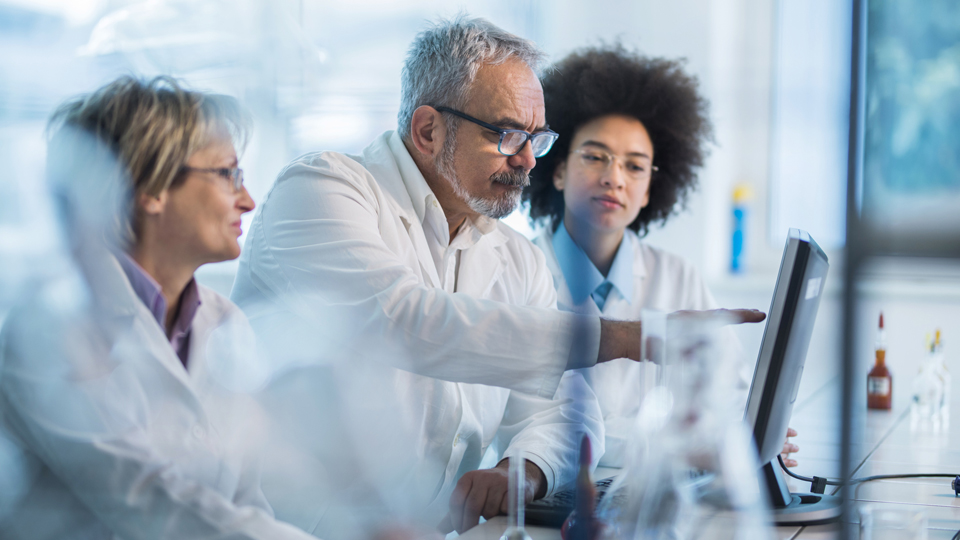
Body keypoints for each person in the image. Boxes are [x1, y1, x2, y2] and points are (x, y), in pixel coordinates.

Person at [231, 17, 764, 535]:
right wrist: (626, 337)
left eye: (537, 138)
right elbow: (401, 320)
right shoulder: (322, 188)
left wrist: (523, 470)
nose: (529, 161)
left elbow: (565, 409)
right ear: (428, 130)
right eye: (508, 135)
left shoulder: (514, 257)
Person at [0, 76, 317, 539]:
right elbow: (142, 497)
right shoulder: (50, 326)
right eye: (228, 174)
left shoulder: (226, 324)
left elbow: (246, 499)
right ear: (151, 186)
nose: (247, 201)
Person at [523, 45, 799, 468]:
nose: (614, 177)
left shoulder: (677, 277)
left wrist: (751, 436)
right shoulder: (519, 271)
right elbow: (547, 426)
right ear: (557, 170)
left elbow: (732, 397)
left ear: (651, 189)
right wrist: (690, 445)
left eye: (635, 167)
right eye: (596, 156)